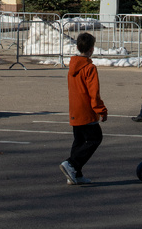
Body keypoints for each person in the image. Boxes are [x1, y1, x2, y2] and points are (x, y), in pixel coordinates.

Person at [61, 32, 107, 186]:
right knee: (95, 138)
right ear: (91, 49)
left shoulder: (72, 66)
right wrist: (101, 110)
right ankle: (72, 164)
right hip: (86, 110)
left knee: (79, 141)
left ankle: (76, 174)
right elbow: (94, 93)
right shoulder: (89, 68)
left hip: (75, 109)